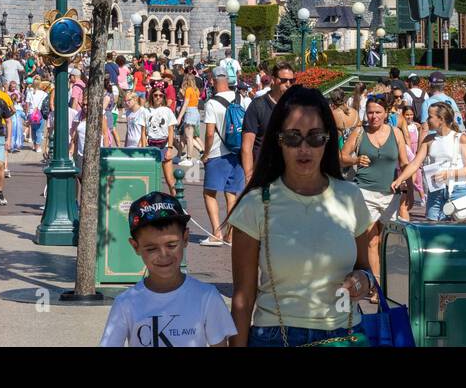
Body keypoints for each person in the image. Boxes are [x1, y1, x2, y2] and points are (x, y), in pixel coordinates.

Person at [227, 84, 376, 347]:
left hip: (344, 334)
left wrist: (363, 281)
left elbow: (366, 270)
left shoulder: (350, 196)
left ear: (328, 139)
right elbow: (242, 299)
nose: (304, 148)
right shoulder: (256, 204)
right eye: (293, 138)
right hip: (277, 336)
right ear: (279, 140)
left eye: (315, 137)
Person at [100, 192, 236, 347]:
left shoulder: (207, 297)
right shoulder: (125, 303)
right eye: (151, 248)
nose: (163, 255)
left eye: (171, 245)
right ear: (135, 246)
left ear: (185, 239)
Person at [340, 93, 407, 283]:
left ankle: (387, 283)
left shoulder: (396, 133)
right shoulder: (359, 132)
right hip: (364, 192)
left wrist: (407, 187)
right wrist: (355, 159)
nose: (374, 116)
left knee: (388, 242)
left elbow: (404, 162)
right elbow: (342, 157)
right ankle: (376, 285)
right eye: (370, 112)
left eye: (378, 112)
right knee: (371, 240)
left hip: (390, 194)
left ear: (386, 113)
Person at [201, 67, 246, 247]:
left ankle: (216, 233)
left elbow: (210, 133)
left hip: (218, 153)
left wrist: (205, 154)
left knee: (210, 193)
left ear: (212, 81)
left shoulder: (211, 103)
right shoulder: (240, 98)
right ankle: (231, 235)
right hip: (237, 151)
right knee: (231, 194)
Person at [240, 63, 294, 181]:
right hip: (264, 174)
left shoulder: (295, 106)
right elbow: (247, 146)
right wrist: (249, 177)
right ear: (273, 80)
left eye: (292, 81)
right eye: (284, 80)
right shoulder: (258, 106)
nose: (288, 84)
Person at [177, 73, 201, 166]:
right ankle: (180, 155)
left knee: (189, 137)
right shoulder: (196, 90)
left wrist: (179, 117)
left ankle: (189, 158)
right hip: (195, 111)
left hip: (190, 111)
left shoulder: (188, 90)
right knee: (186, 136)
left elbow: (186, 104)